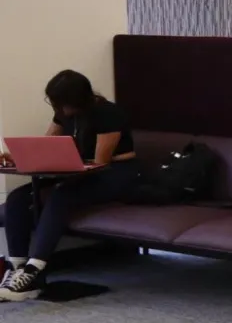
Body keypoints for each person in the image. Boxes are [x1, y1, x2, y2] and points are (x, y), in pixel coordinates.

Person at [1, 70, 139, 300]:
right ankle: (17, 270)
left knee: (61, 195)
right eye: (57, 105)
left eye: (65, 105)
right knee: (17, 198)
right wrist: (15, 157)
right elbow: (45, 147)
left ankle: (34, 269)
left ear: (80, 99)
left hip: (115, 173)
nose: (62, 111)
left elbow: (100, 162)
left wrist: (66, 168)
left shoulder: (108, 114)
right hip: (76, 171)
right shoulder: (62, 114)